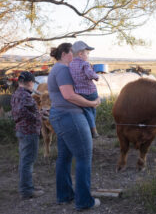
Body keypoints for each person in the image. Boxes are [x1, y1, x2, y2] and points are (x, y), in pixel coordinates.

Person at [48, 43, 101, 210]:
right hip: (70, 117)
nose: (76, 56)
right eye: (73, 53)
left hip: (60, 115)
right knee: (84, 157)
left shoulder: (56, 69)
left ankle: (65, 196)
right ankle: (84, 201)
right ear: (65, 54)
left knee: (64, 158)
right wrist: (92, 103)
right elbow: (69, 95)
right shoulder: (63, 70)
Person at [10, 71, 45, 199]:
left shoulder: (16, 94)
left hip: (22, 130)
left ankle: (28, 186)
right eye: (32, 83)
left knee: (25, 160)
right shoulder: (25, 95)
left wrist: (38, 115)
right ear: (30, 82)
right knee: (28, 161)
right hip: (28, 131)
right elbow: (22, 112)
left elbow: (19, 112)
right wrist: (37, 118)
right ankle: (26, 191)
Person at [69, 41, 100, 139]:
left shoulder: (70, 64)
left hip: (79, 92)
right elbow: (90, 74)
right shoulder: (85, 64)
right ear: (80, 54)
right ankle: (93, 129)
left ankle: (89, 128)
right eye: (87, 53)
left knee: (86, 110)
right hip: (90, 91)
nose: (88, 56)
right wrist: (96, 77)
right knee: (93, 109)